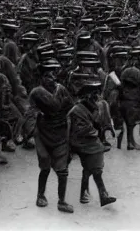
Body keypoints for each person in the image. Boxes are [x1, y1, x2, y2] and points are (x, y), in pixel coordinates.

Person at [29, 57, 74, 213]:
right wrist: (36, 120)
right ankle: (40, 195)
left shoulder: (61, 89)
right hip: (42, 133)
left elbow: (71, 107)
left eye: (54, 74)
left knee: (62, 170)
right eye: (48, 75)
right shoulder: (36, 93)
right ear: (41, 78)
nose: (52, 78)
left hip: (60, 132)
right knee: (45, 166)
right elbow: (31, 112)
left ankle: (62, 201)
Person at [67, 77, 116, 207]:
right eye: (94, 95)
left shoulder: (93, 107)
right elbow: (77, 130)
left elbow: (97, 124)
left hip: (92, 142)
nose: (97, 98)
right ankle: (102, 195)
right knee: (95, 170)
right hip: (82, 144)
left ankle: (85, 194)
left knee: (89, 170)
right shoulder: (77, 110)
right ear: (87, 96)